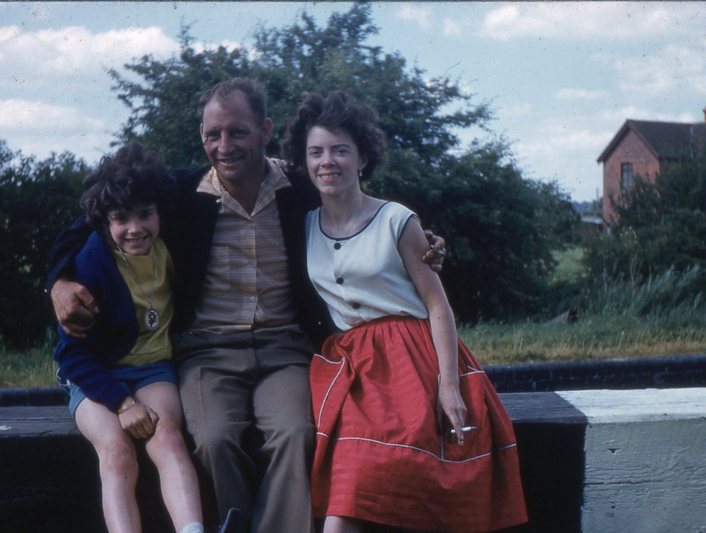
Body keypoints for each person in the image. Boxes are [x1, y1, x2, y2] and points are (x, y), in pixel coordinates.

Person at [47, 77, 445, 533]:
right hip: (207, 350)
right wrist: (59, 281)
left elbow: (360, 211)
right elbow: (96, 217)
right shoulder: (183, 193)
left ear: (265, 130)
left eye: (237, 132)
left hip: (285, 348)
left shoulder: (299, 188)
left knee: (297, 434)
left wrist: (423, 242)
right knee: (214, 438)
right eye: (212, 135)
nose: (224, 146)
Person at [280, 91, 528, 532]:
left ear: (362, 158)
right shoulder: (305, 223)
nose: (327, 161)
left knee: (402, 476)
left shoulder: (397, 220)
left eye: (340, 150)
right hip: (352, 370)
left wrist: (448, 385)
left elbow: (438, 304)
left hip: (412, 360)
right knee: (345, 491)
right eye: (316, 152)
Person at [53, 142, 208, 533]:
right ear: (104, 221)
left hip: (152, 367)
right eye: (121, 218)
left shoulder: (169, 248)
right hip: (96, 373)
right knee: (117, 452)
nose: (135, 228)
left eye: (145, 215)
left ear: (160, 213)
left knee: (168, 438)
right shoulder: (91, 262)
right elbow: (72, 355)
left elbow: (199, 174)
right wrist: (122, 403)